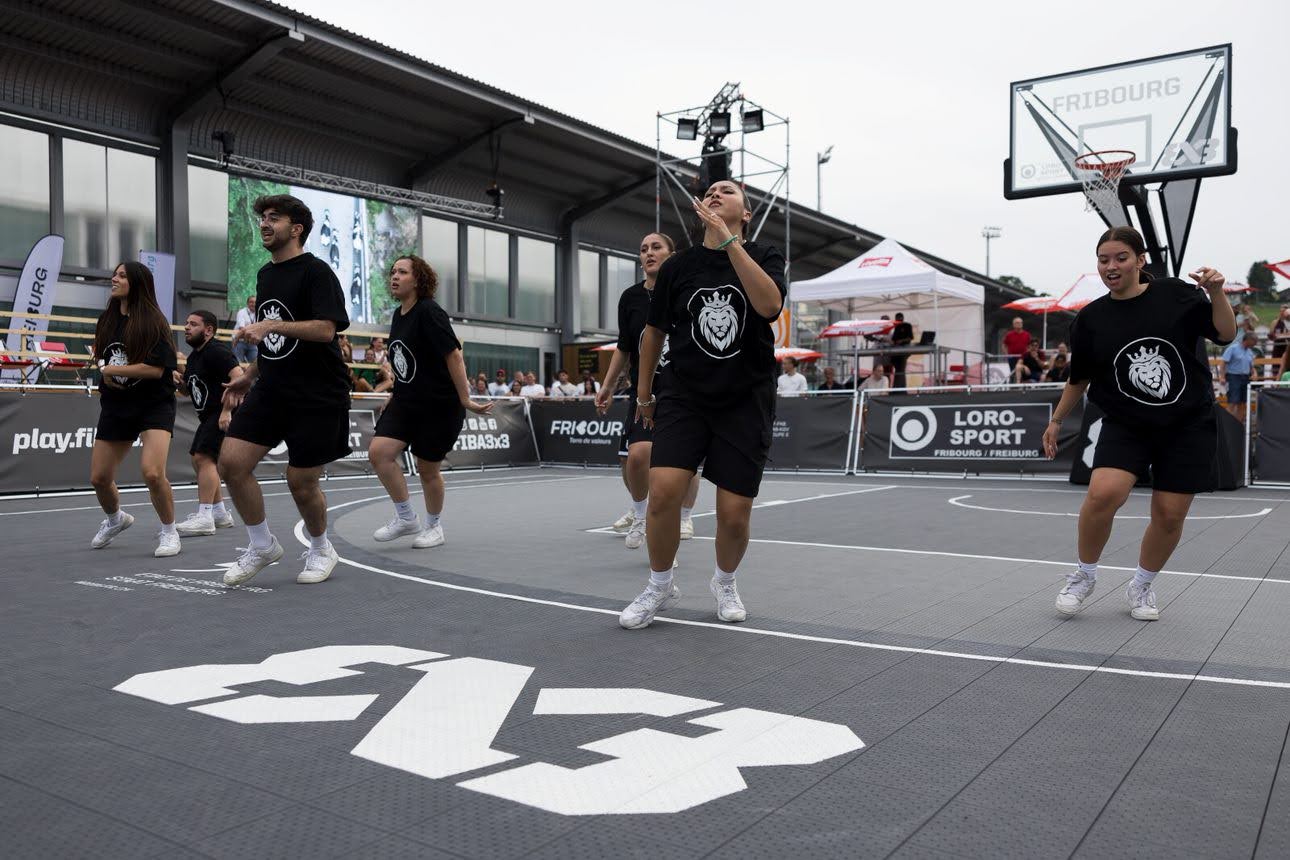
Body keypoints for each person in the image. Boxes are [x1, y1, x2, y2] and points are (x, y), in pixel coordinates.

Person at [1043, 226, 1235, 623]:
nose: (1111, 266)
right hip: (1127, 422)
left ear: (1140, 260)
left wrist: (1216, 292)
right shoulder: (1091, 319)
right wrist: (1057, 419)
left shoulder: (1177, 294)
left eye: (1120, 258)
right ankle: (1084, 575)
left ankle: (1142, 585)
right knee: (1103, 494)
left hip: (1187, 422)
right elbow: (1078, 378)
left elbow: (1226, 334)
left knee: (1169, 513)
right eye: (1103, 259)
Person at [623, 179, 786, 630]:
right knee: (664, 494)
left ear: (746, 213)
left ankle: (724, 581)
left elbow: (770, 306)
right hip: (684, 394)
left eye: (727, 191)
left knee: (734, 516)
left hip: (745, 398)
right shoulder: (679, 267)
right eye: (710, 191)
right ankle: (659, 585)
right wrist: (644, 395)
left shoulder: (765, 256)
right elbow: (653, 333)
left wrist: (729, 241)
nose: (715, 194)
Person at [219, 194, 353, 586]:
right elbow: (277, 343)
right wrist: (252, 372)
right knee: (231, 463)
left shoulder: (317, 272)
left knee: (301, 481)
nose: (264, 223)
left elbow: (326, 329)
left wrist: (270, 326)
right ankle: (261, 545)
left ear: (296, 229)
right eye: (262, 217)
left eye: (273, 218)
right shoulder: (266, 275)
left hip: (317, 392)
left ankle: (321, 547)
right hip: (273, 387)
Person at [367, 256, 494, 547]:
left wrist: (466, 399)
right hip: (406, 401)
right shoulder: (400, 315)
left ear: (418, 279)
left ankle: (434, 527)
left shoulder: (429, 312)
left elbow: (454, 355)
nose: (394, 276)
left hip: (438, 405)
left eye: (402, 272)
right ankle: (406, 518)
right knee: (379, 453)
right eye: (392, 271)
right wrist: (394, 393)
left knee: (427, 469)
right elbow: (405, 361)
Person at [596, 231, 701, 549]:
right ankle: (640, 515)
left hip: (684, 389)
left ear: (671, 254)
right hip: (644, 391)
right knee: (637, 458)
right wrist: (607, 385)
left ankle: (683, 516)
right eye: (643, 249)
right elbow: (625, 347)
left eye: (656, 247)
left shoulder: (686, 291)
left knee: (685, 463)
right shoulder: (630, 298)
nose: (649, 253)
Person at [88, 262, 181, 557]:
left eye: (121, 275)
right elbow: (101, 357)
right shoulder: (107, 320)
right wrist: (105, 370)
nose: (114, 279)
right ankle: (116, 520)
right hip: (117, 403)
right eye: (114, 274)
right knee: (99, 478)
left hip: (154, 403)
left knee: (152, 473)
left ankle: (169, 532)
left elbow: (155, 370)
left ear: (137, 283)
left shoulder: (154, 321)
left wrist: (112, 368)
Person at [174, 311, 242, 536]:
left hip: (223, 412)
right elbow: (189, 390)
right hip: (209, 415)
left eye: (193, 324)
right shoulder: (194, 357)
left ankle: (205, 517)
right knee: (201, 461)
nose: (187, 327)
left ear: (209, 330)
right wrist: (178, 381)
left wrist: (227, 410)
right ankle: (219, 513)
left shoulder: (217, 351)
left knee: (203, 458)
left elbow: (238, 377)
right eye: (186, 323)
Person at [1218, 331, 1257, 421]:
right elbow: (1223, 363)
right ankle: (1227, 424)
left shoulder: (1250, 352)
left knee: (1243, 403)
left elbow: (1252, 367)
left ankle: (1238, 425)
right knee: (1232, 402)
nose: (1256, 343)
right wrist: (1222, 377)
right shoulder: (1233, 348)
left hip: (1245, 378)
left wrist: (1254, 373)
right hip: (1233, 377)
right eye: (1254, 341)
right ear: (1248, 340)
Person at [889, 312, 914, 388]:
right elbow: (894, 339)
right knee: (899, 370)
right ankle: (898, 388)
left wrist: (901, 341)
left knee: (900, 370)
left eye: (899, 318)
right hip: (896, 351)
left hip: (904, 351)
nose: (898, 320)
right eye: (897, 319)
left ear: (902, 318)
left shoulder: (907, 325)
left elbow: (910, 337)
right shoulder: (896, 327)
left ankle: (900, 388)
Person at [232, 295, 257, 364]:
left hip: (251, 342)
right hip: (239, 341)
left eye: (255, 302)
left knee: (255, 363)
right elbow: (242, 329)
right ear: (247, 303)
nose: (253, 304)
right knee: (238, 363)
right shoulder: (242, 312)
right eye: (251, 302)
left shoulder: (258, 313)